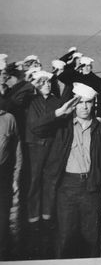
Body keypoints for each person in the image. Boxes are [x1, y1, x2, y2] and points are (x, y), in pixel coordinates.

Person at [42, 82, 101, 258]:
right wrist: (60, 112)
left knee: (92, 239)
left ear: (94, 103)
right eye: (80, 102)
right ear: (74, 104)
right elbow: (36, 128)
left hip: (92, 188)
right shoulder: (62, 126)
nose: (84, 106)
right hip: (66, 187)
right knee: (65, 237)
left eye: (88, 102)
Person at [24, 70, 62, 236]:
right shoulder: (30, 100)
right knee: (35, 181)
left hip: (52, 145)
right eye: (43, 82)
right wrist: (30, 83)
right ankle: (33, 218)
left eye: (49, 82)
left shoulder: (55, 101)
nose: (47, 85)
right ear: (37, 84)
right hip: (36, 146)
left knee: (50, 180)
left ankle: (47, 216)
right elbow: (36, 126)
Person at [0, 104, 21, 259]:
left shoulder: (9, 119)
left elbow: (18, 150)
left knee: (2, 222)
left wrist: (16, 177)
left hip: (3, 176)